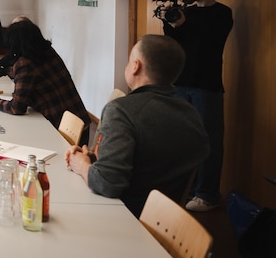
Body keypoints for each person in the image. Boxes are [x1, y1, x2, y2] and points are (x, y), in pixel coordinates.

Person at [65, 34, 210, 217]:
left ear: (135, 66)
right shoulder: (192, 114)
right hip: (164, 221)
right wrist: (95, 160)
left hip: (123, 215)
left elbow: (107, 183)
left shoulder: (121, 110)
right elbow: (148, 158)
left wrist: (82, 165)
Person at [160, 0, 233, 212]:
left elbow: (209, 40)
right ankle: (188, 188)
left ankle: (207, 193)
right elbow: (174, 40)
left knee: (209, 140)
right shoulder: (185, 12)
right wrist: (168, 20)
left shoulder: (222, 13)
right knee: (183, 138)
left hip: (206, 84)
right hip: (181, 82)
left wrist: (182, 23)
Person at [0, 19, 91, 145]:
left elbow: (16, 108)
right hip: (81, 125)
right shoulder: (47, 52)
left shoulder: (25, 63)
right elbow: (26, 73)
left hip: (62, 134)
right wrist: (2, 71)